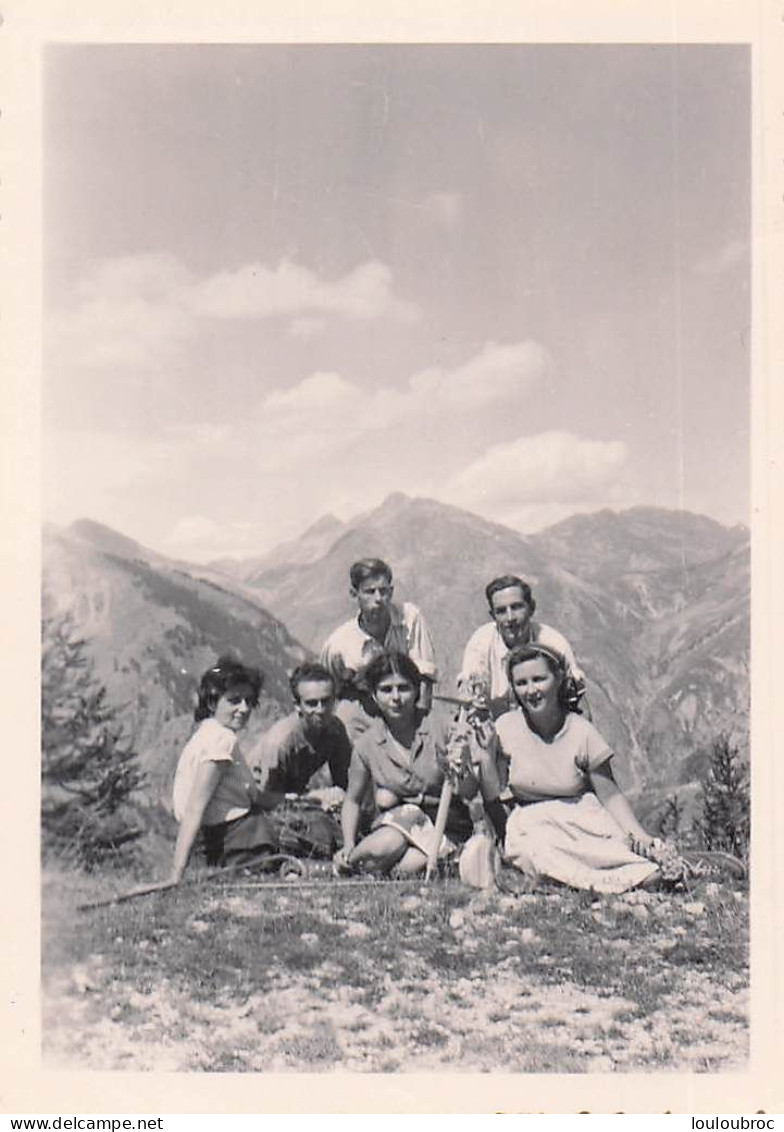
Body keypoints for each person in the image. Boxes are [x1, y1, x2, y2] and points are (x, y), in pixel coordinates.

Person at [485, 643, 668, 894]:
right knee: (537, 850)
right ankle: (616, 882)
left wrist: (640, 836)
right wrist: (484, 756)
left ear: (558, 678)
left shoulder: (581, 731)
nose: (531, 690)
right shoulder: (505, 728)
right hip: (531, 821)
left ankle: (647, 870)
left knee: (606, 851)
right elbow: (493, 790)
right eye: (522, 683)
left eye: (539, 679)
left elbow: (610, 794)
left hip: (581, 817)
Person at [334, 652, 503, 878]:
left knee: (411, 866)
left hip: (446, 823)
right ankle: (347, 862)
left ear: (416, 691)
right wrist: (348, 842)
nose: (396, 697)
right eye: (386, 689)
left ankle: (370, 868)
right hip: (397, 824)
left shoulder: (441, 728)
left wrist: (459, 766)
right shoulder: (367, 744)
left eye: (403, 688)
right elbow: (352, 800)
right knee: (386, 843)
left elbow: (470, 790)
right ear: (374, 696)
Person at [158, 656, 276, 888]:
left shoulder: (205, 733)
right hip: (239, 840)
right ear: (212, 703)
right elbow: (195, 808)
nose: (244, 708)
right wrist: (176, 874)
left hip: (213, 841)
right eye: (234, 700)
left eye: (249, 701)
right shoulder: (222, 740)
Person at [320, 558, 437, 740]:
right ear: (354, 594)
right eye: (369, 592)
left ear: (391, 592)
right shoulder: (338, 644)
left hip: (405, 704)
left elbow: (425, 677)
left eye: (383, 591)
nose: (378, 599)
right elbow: (325, 687)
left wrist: (421, 727)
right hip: (364, 709)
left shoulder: (411, 618)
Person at [245, 663, 353, 858]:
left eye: (326, 701)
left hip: (293, 797)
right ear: (297, 706)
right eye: (311, 703)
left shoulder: (335, 729)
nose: (320, 710)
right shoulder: (280, 743)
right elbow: (266, 801)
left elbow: (345, 783)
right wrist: (314, 799)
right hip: (256, 804)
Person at [458, 575, 589, 720]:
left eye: (516, 607)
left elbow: (578, 703)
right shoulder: (480, 643)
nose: (510, 618)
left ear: (531, 608)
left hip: (546, 730)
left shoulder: (554, 643)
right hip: (495, 729)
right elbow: (470, 701)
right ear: (493, 616)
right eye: (501, 611)